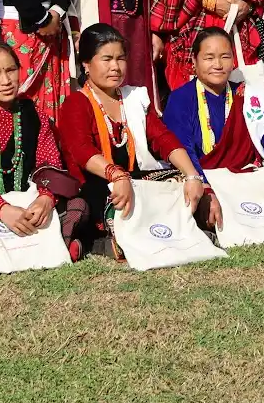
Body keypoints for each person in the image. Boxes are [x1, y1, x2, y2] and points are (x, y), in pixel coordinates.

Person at [55, 24, 212, 255]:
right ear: (86, 64)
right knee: (114, 201)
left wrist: (192, 175)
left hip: (133, 179)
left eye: (121, 58)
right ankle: (103, 242)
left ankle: (174, 231)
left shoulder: (134, 98)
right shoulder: (76, 103)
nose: (115, 67)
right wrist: (116, 175)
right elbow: (81, 150)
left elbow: (163, 139)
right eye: (106, 59)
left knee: (178, 182)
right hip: (95, 186)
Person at [0, 39, 90, 281]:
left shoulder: (34, 115)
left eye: (11, 70)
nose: (5, 81)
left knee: (79, 207)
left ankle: (45, 243)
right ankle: (59, 245)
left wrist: (46, 199)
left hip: (31, 202)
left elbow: (50, 165)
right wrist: (2, 210)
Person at [162, 29, 264, 226]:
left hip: (244, 179)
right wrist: (206, 188)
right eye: (209, 57)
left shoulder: (248, 97)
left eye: (225, 57)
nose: (217, 65)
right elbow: (183, 150)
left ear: (233, 60)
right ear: (194, 61)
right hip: (203, 179)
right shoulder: (180, 99)